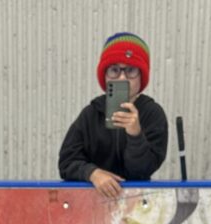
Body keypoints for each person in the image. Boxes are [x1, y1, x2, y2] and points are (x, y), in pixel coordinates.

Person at [58, 32, 169, 198]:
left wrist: (135, 135)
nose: (122, 77)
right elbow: (66, 162)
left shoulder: (153, 114)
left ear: (142, 76)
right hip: (92, 204)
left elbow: (142, 171)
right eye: (114, 70)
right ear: (105, 76)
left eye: (130, 70)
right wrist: (92, 173)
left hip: (137, 205)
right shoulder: (91, 113)